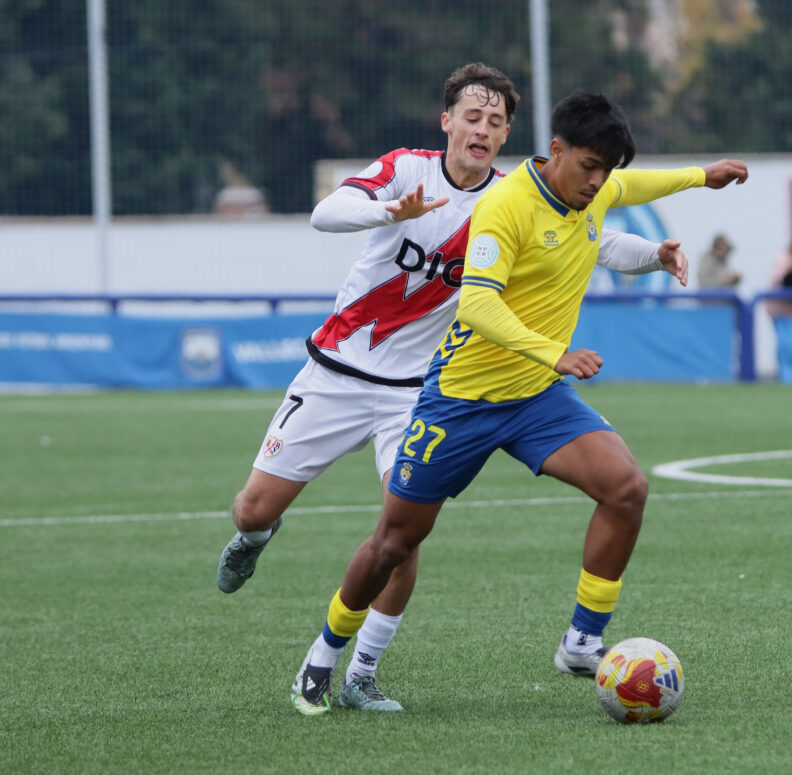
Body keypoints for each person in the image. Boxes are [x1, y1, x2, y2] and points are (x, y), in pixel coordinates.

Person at [216, 64, 692, 713]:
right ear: (447, 121)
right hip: (338, 371)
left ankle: (359, 673)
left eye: (496, 122)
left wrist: (653, 253)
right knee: (252, 508)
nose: (483, 129)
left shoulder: (507, 199)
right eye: (472, 116)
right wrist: (390, 210)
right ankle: (255, 538)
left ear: (506, 136)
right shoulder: (407, 171)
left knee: (402, 536)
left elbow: (597, 242)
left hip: (419, 388)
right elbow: (326, 212)